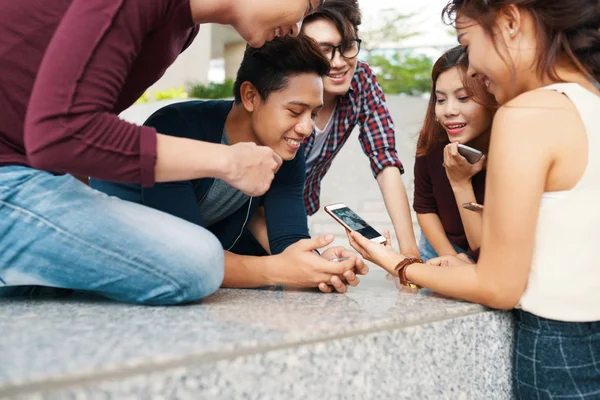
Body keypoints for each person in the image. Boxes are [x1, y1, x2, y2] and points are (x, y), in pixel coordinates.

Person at [346, 0, 600, 397]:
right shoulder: (589, 100)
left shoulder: (525, 114)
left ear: (511, 21)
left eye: (468, 41)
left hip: (560, 348)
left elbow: (499, 285)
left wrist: (398, 263)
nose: (475, 67)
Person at [0, 0, 324, 305]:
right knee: (197, 260)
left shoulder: (181, 29)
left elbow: (73, 131)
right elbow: (64, 130)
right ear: (250, 96)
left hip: (34, 172)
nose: (297, 28)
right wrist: (227, 161)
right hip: (12, 173)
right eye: (306, 7)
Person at [91, 35, 367, 294]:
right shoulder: (176, 127)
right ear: (250, 96)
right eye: (295, 111)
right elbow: (185, 256)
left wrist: (318, 265)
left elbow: (289, 239)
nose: (307, 128)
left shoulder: (287, 151)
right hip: (110, 254)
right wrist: (277, 271)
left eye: (314, 113)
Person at [299, 0, 420, 256]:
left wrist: (409, 254)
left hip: (298, 211)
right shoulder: (282, 85)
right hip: (251, 212)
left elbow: (384, 157)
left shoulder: (362, 80)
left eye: (347, 47)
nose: (340, 62)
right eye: (324, 50)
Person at [414, 46, 496, 262]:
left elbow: (485, 255)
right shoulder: (433, 139)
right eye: (441, 100)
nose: (448, 111)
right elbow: (424, 206)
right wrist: (449, 258)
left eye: (463, 98)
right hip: (441, 246)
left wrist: (461, 182)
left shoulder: (508, 149)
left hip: (490, 253)